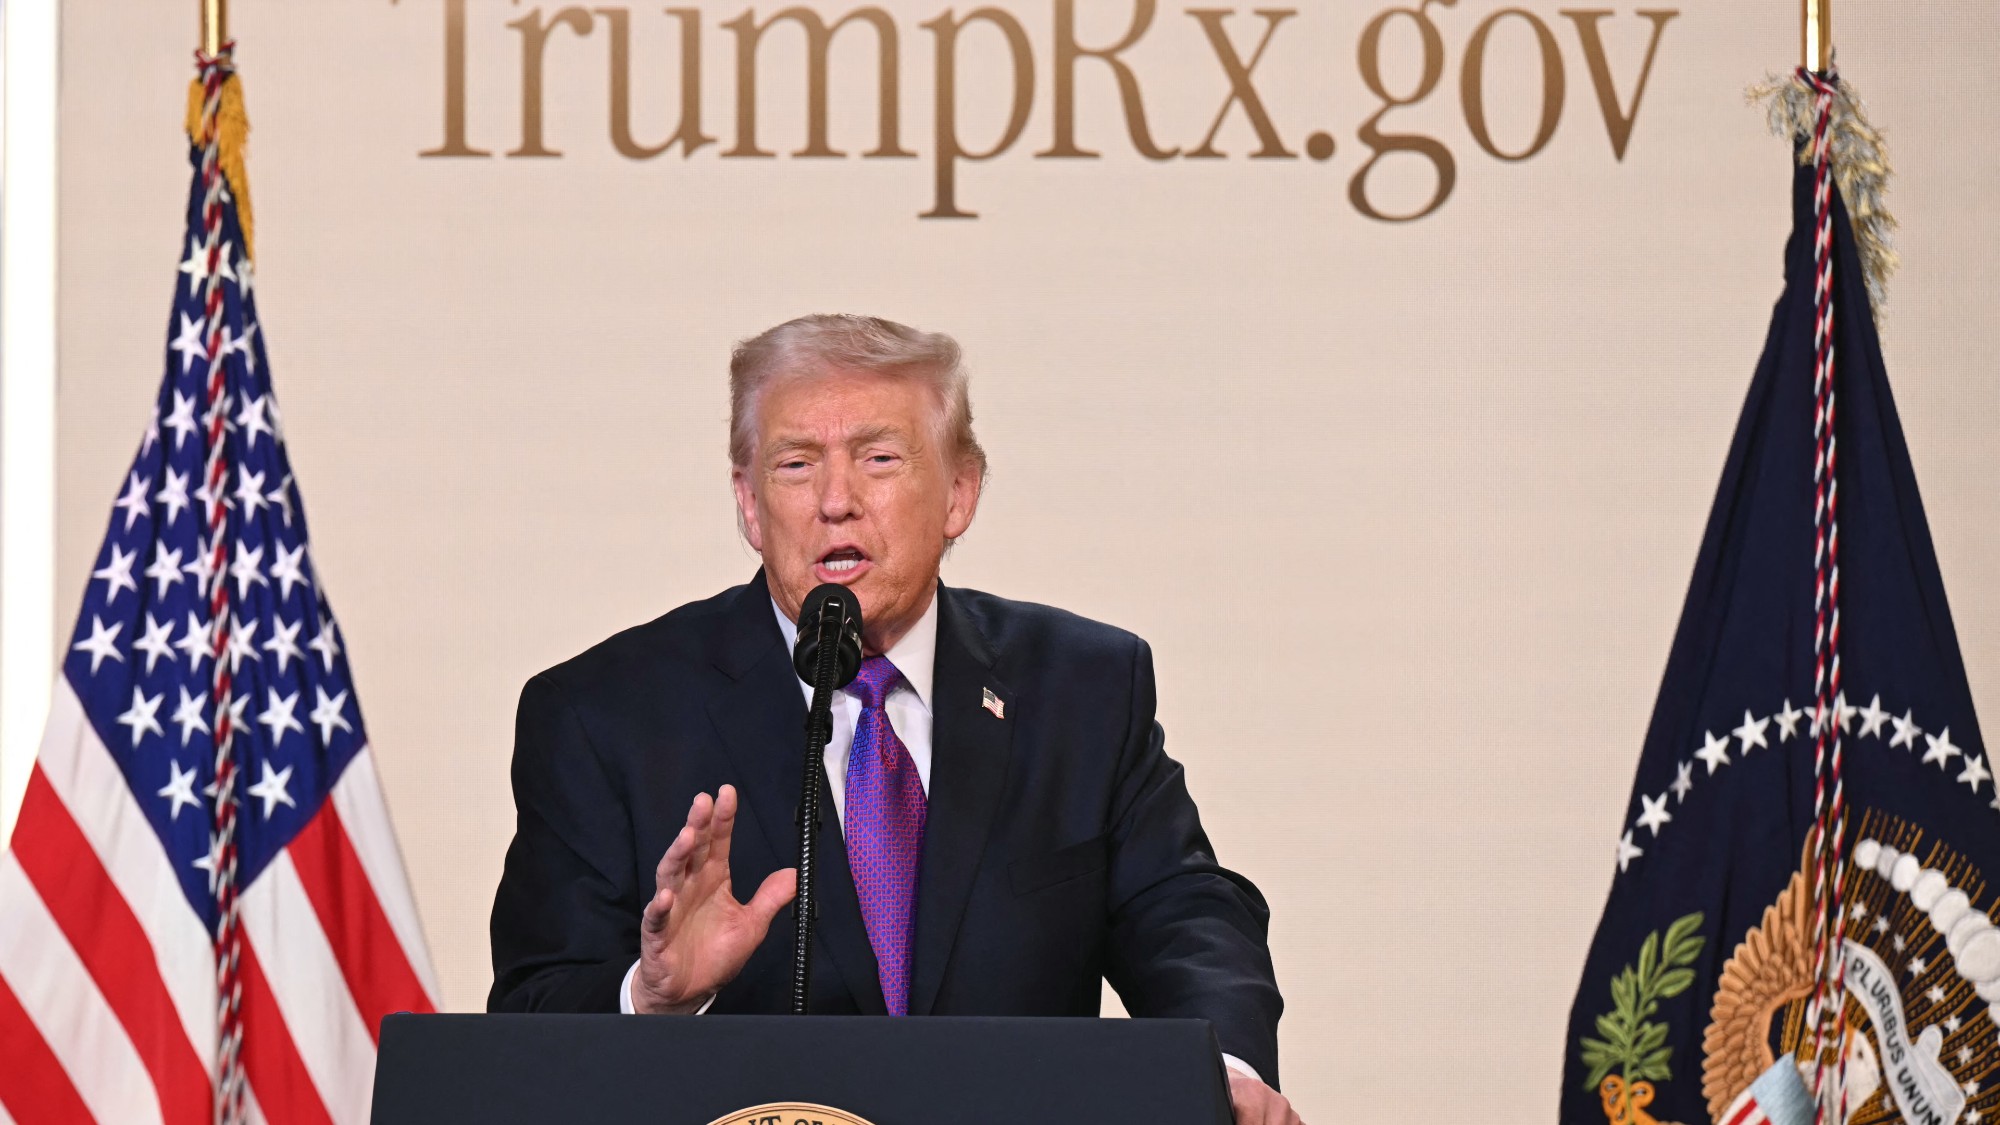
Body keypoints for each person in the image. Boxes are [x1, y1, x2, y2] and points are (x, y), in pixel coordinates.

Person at [489, 314, 1300, 1124]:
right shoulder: (605, 714)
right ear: (748, 501)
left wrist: (1218, 1070)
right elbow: (528, 1022)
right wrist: (653, 995)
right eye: (796, 464)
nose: (836, 502)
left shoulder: (1081, 687)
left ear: (959, 491)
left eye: (879, 459)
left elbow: (1185, 913)